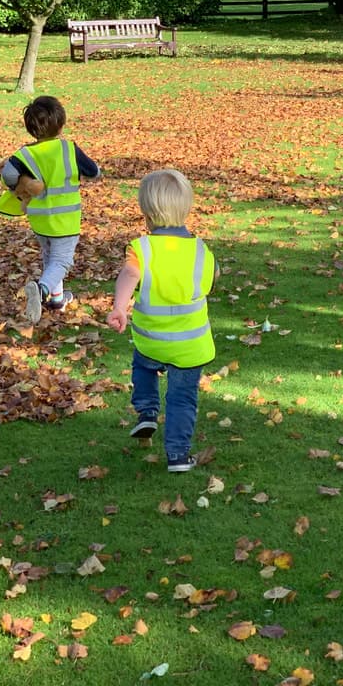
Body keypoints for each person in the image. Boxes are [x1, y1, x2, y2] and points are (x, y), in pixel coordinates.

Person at [106, 169, 219, 473]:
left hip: (152, 340)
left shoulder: (141, 248)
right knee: (182, 400)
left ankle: (146, 412)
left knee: (143, 366)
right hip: (190, 347)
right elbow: (211, 280)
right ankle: (178, 456)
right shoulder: (201, 251)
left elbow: (130, 274)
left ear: (147, 213)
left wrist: (120, 307)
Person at [0, 95, 100, 324]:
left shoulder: (26, 154)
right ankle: (42, 290)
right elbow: (93, 172)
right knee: (62, 262)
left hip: (40, 220)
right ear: (61, 124)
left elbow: (7, 175)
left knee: (49, 257)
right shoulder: (69, 149)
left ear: (31, 129)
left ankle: (57, 299)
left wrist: (23, 185)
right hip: (65, 220)